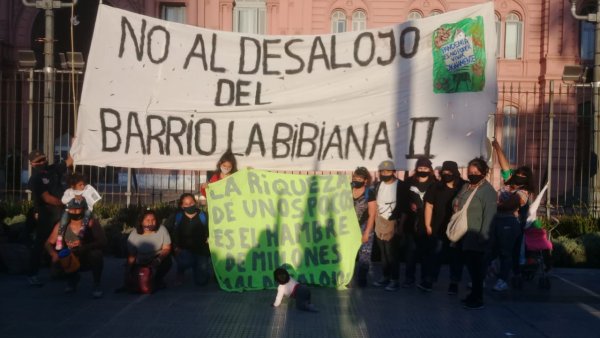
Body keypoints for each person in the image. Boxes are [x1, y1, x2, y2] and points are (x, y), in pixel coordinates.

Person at [489, 139, 535, 292]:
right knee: (492, 250)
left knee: (507, 253)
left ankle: (504, 280)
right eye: (518, 174)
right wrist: (497, 147)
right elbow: (505, 165)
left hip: (511, 224)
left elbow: (511, 204)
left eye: (523, 176)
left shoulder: (523, 192)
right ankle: (490, 276)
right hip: (497, 221)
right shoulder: (508, 183)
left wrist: (494, 204)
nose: (519, 177)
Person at [453, 157, 497, 309]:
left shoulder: (488, 191)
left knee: (478, 270)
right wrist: (456, 204)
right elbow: (456, 200)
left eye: (476, 172)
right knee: (471, 269)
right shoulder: (466, 187)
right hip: (465, 234)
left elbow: (489, 215)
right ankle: (473, 295)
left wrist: (483, 237)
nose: (472, 175)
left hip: (478, 236)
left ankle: (478, 298)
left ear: (484, 172)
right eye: (470, 172)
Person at [27, 149, 73, 286]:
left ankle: (60, 271)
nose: (42, 162)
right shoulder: (35, 179)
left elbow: (70, 160)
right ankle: (32, 274)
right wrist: (64, 203)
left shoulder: (53, 169)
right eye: (38, 161)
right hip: (47, 214)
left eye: (43, 159)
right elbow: (46, 198)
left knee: (63, 241)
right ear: (32, 164)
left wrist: (75, 143)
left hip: (60, 212)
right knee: (40, 243)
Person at [45, 199, 106, 298]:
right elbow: (48, 243)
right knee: (59, 262)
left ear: (84, 209)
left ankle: (96, 284)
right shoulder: (62, 225)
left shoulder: (91, 223)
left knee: (96, 255)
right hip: (69, 257)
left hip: (86, 256)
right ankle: (72, 280)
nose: (75, 211)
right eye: (72, 209)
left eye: (78, 209)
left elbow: (103, 241)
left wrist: (86, 247)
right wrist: (54, 254)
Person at [421, 160, 466, 294]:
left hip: (457, 228)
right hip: (438, 227)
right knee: (435, 255)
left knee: (456, 257)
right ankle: (429, 281)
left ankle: (454, 283)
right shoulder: (435, 186)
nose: (447, 174)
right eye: (444, 171)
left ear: (456, 173)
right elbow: (429, 205)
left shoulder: (463, 187)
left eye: (449, 172)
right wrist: (427, 224)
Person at [372, 160, 410, 292]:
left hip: (393, 223)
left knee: (392, 253)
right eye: (382, 171)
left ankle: (395, 279)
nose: (385, 173)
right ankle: (385, 276)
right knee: (383, 252)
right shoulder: (378, 185)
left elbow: (405, 207)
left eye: (387, 171)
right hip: (379, 222)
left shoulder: (401, 185)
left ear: (393, 172)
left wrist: (401, 227)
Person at [405, 157, 437, 289]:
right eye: (420, 168)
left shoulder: (435, 184)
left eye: (425, 168)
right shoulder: (409, 182)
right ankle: (409, 278)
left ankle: (425, 279)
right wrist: (409, 205)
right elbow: (403, 199)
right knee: (410, 253)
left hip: (428, 223)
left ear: (430, 169)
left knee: (426, 254)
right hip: (412, 223)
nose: (422, 170)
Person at [165, 193, 210, 286]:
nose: (189, 206)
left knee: (201, 281)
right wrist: (175, 247)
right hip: (183, 250)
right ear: (182, 206)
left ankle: (198, 267)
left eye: (191, 203)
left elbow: (212, 229)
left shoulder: (203, 216)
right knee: (185, 261)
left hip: (201, 250)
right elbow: (166, 231)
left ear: (195, 202)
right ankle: (181, 270)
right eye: (186, 204)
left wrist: (209, 238)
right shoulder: (177, 217)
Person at [124, 209, 172, 292]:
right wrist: (128, 271)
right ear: (141, 222)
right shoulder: (134, 234)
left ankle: (157, 279)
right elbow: (132, 254)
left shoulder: (162, 229)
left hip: (156, 257)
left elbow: (167, 248)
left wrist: (159, 259)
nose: (151, 222)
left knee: (168, 261)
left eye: (153, 220)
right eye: (147, 220)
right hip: (140, 260)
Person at [56, 173, 101, 251]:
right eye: (80, 185)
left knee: (88, 213)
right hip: (69, 212)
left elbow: (91, 201)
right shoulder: (69, 192)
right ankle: (60, 237)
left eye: (83, 184)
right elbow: (63, 200)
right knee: (63, 219)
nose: (83, 186)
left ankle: (82, 228)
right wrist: (74, 196)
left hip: (83, 213)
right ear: (73, 186)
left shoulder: (85, 190)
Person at [350, 167, 377, 287]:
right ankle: (347, 277)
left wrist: (367, 232)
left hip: (364, 226)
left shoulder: (369, 192)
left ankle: (361, 280)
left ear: (365, 181)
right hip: (348, 227)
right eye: (355, 177)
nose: (357, 180)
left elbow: (372, 214)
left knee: (364, 254)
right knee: (348, 253)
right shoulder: (347, 189)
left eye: (360, 178)